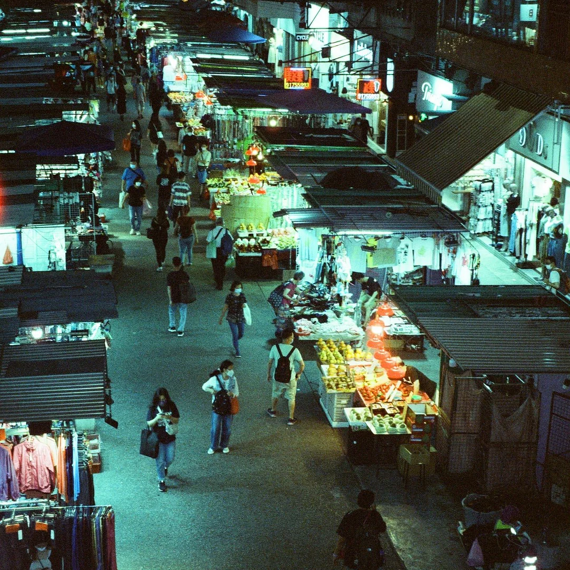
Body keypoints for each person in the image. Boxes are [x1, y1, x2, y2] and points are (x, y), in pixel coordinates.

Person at [333, 489, 387, 568]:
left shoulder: (351, 515)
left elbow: (342, 538)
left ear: (358, 501)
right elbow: (382, 529)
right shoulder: (375, 515)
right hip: (372, 556)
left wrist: (336, 553)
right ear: (372, 502)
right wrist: (374, 512)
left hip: (353, 557)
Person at [266, 328, 305, 425]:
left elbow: (270, 362)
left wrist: (268, 374)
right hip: (290, 378)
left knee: (275, 393)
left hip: (277, 377)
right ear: (289, 338)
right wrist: (299, 373)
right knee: (291, 397)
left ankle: (273, 411)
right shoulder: (294, 350)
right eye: (292, 337)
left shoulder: (275, 348)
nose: (293, 339)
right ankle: (291, 418)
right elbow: (302, 365)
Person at [146, 387, 180, 493]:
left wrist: (169, 417)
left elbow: (177, 419)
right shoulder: (153, 408)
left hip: (170, 437)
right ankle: (161, 480)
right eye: (160, 399)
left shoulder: (171, 405)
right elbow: (149, 423)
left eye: (164, 399)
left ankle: (166, 467)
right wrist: (157, 418)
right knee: (160, 460)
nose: (162, 401)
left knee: (170, 458)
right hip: (158, 439)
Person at [202, 360, 239, 454]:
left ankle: (224, 445)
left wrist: (232, 394)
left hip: (228, 407)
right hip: (217, 407)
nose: (232, 371)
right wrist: (211, 391)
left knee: (227, 428)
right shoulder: (215, 379)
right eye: (230, 369)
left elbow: (237, 392)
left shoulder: (233, 379)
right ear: (224, 369)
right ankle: (213, 446)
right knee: (215, 428)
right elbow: (204, 386)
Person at [219, 280, 247, 358]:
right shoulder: (230, 296)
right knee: (235, 335)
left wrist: (244, 306)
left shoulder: (242, 295)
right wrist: (221, 317)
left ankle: (235, 341)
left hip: (240, 317)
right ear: (233, 288)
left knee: (241, 333)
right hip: (231, 318)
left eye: (240, 287)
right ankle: (237, 351)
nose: (239, 289)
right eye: (237, 288)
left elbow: (245, 305)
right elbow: (225, 307)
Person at [166, 256, 190, 337]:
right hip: (183, 297)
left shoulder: (170, 275)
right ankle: (181, 330)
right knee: (183, 312)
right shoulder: (185, 274)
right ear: (180, 264)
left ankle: (172, 326)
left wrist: (170, 299)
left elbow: (169, 288)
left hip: (174, 296)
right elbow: (188, 285)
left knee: (171, 311)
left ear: (173, 264)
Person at [276, 271, 305, 336]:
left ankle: (281, 333)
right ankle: (280, 334)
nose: (301, 280)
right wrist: (293, 299)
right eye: (301, 279)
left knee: (284, 319)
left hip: (286, 304)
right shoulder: (290, 285)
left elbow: (299, 292)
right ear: (298, 279)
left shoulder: (293, 283)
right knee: (282, 320)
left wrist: (305, 293)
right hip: (284, 304)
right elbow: (285, 294)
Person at [206, 217, 231, 290]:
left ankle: (218, 281)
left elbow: (207, 241)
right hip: (223, 251)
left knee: (215, 267)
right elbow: (231, 239)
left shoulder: (212, 231)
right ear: (222, 223)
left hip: (214, 251)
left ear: (216, 223)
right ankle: (221, 281)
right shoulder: (226, 231)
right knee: (222, 266)